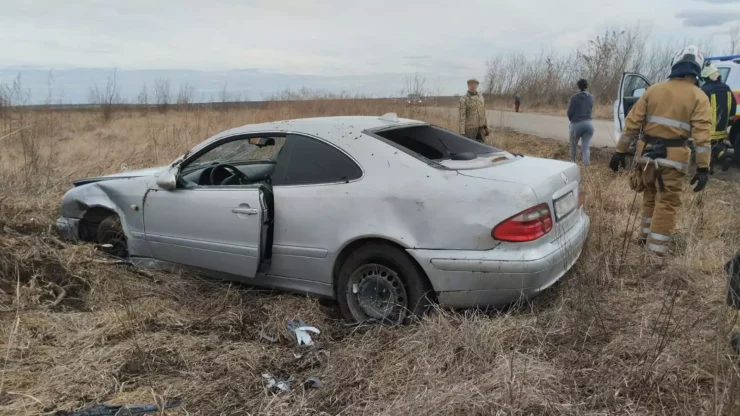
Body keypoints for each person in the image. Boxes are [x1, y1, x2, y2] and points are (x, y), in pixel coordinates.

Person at [609, 45, 712, 255]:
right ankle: (655, 252)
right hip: (673, 160)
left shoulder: (653, 90)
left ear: (674, 64)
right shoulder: (699, 96)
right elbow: (702, 138)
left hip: (645, 156)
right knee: (667, 202)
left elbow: (631, 125)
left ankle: (644, 237)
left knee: (649, 195)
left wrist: (619, 152)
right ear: (698, 69)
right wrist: (703, 168)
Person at [700, 62, 737, 173]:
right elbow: (733, 106)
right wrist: (729, 123)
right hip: (723, 128)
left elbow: (700, 109)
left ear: (706, 78)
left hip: (709, 128)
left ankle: (708, 169)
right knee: (718, 146)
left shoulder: (705, 90)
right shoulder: (726, 88)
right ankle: (725, 157)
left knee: (707, 149)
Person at [567, 79, 595, 165]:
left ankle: (572, 163)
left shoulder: (574, 98)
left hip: (576, 124)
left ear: (578, 86)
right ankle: (586, 165)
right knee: (586, 146)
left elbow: (569, 112)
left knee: (573, 146)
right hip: (589, 124)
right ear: (586, 86)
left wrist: (572, 120)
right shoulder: (591, 97)